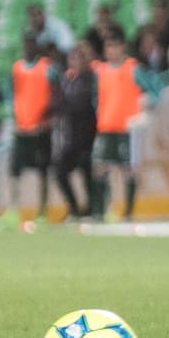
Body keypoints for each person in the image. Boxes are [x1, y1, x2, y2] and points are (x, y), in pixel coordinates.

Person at [91, 28, 161, 221]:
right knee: (100, 168)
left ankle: (128, 213)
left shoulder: (134, 68)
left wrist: (149, 103)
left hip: (127, 129)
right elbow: (96, 97)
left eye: (115, 46)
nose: (111, 51)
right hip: (106, 127)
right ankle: (102, 211)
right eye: (108, 47)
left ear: (122, 47)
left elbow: (156, 87)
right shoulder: (100, 71)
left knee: (128, 170)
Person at [0, 34, 60, 230]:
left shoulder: (48, 68)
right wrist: (13, 112)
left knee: (43, 170)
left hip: (41, 129)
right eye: (26, 45)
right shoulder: (17, 68)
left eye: (32, 45)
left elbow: (57, 90)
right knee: (15, 170)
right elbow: (9, 91)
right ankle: (14, 208)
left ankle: (43, 210)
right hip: (22, 128)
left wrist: (49, 114)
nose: (28, 49)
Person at [54, 45, 98, 221]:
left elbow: (80, 104)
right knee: (61, 172)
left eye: (77, 59)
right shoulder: (68, 80)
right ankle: (76, 208)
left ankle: (90, 209)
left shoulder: (90, 79)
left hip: (87, 134)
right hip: (71, 136)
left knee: (87, 173)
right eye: (71, 59)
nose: (73, 63)